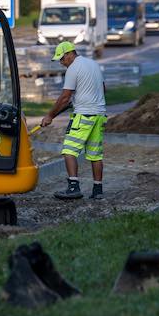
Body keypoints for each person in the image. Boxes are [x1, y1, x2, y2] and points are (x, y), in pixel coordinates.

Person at [40, 41, 107, 200]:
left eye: (62, 59)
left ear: (70, 54)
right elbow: (103, 89)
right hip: (99, 115)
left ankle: (73, 187)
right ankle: (98, 191)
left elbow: (64, 97)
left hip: (83, 115)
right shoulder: (93, 64)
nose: (62, 63)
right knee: (95, 154)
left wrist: (50, 116)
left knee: (69, 150)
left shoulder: (73, 69)